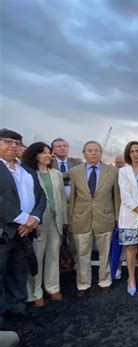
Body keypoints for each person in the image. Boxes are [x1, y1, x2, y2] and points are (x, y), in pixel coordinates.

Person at [0, 129, 46, 325]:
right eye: (8, 142)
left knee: (19, 270)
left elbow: (41, 196)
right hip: (5, 230)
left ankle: (16, 305)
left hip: (25, 231)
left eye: (17, 143)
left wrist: (34, 218)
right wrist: (23, 218)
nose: (13, 146)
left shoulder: (27, 170)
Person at [69, 141, 120, 297]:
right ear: (84, 153)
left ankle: (105, 281)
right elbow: (73, 196)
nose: (93, 153)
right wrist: (70, 219)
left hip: (105, 217)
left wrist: (117, 218)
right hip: (81, 218)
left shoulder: (112, 171)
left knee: (105, 252)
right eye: (90, 150)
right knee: (82, 253)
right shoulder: (75, 171)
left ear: (101, 153)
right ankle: (83, 284)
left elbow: (116, 196)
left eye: (96, 150)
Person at [22, 143, 67, 306]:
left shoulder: (56, 174)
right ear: (35, 155)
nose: (49, 155)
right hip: (38, 220)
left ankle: (53, 287)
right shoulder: (27, 174)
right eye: (44, 153)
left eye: (49, 152)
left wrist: (65, 221)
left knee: (53, 254)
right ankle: (36, 293)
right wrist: (31, 221)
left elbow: (61, 198)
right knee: (37, 256)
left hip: (57, 218)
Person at [118, 141, 138, 296]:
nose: (135, 154)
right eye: (132, 152)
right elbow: (125, 196)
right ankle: (131, 278)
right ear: (128, 154)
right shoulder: (123, 171)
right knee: (131, 248)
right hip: (130, 215)